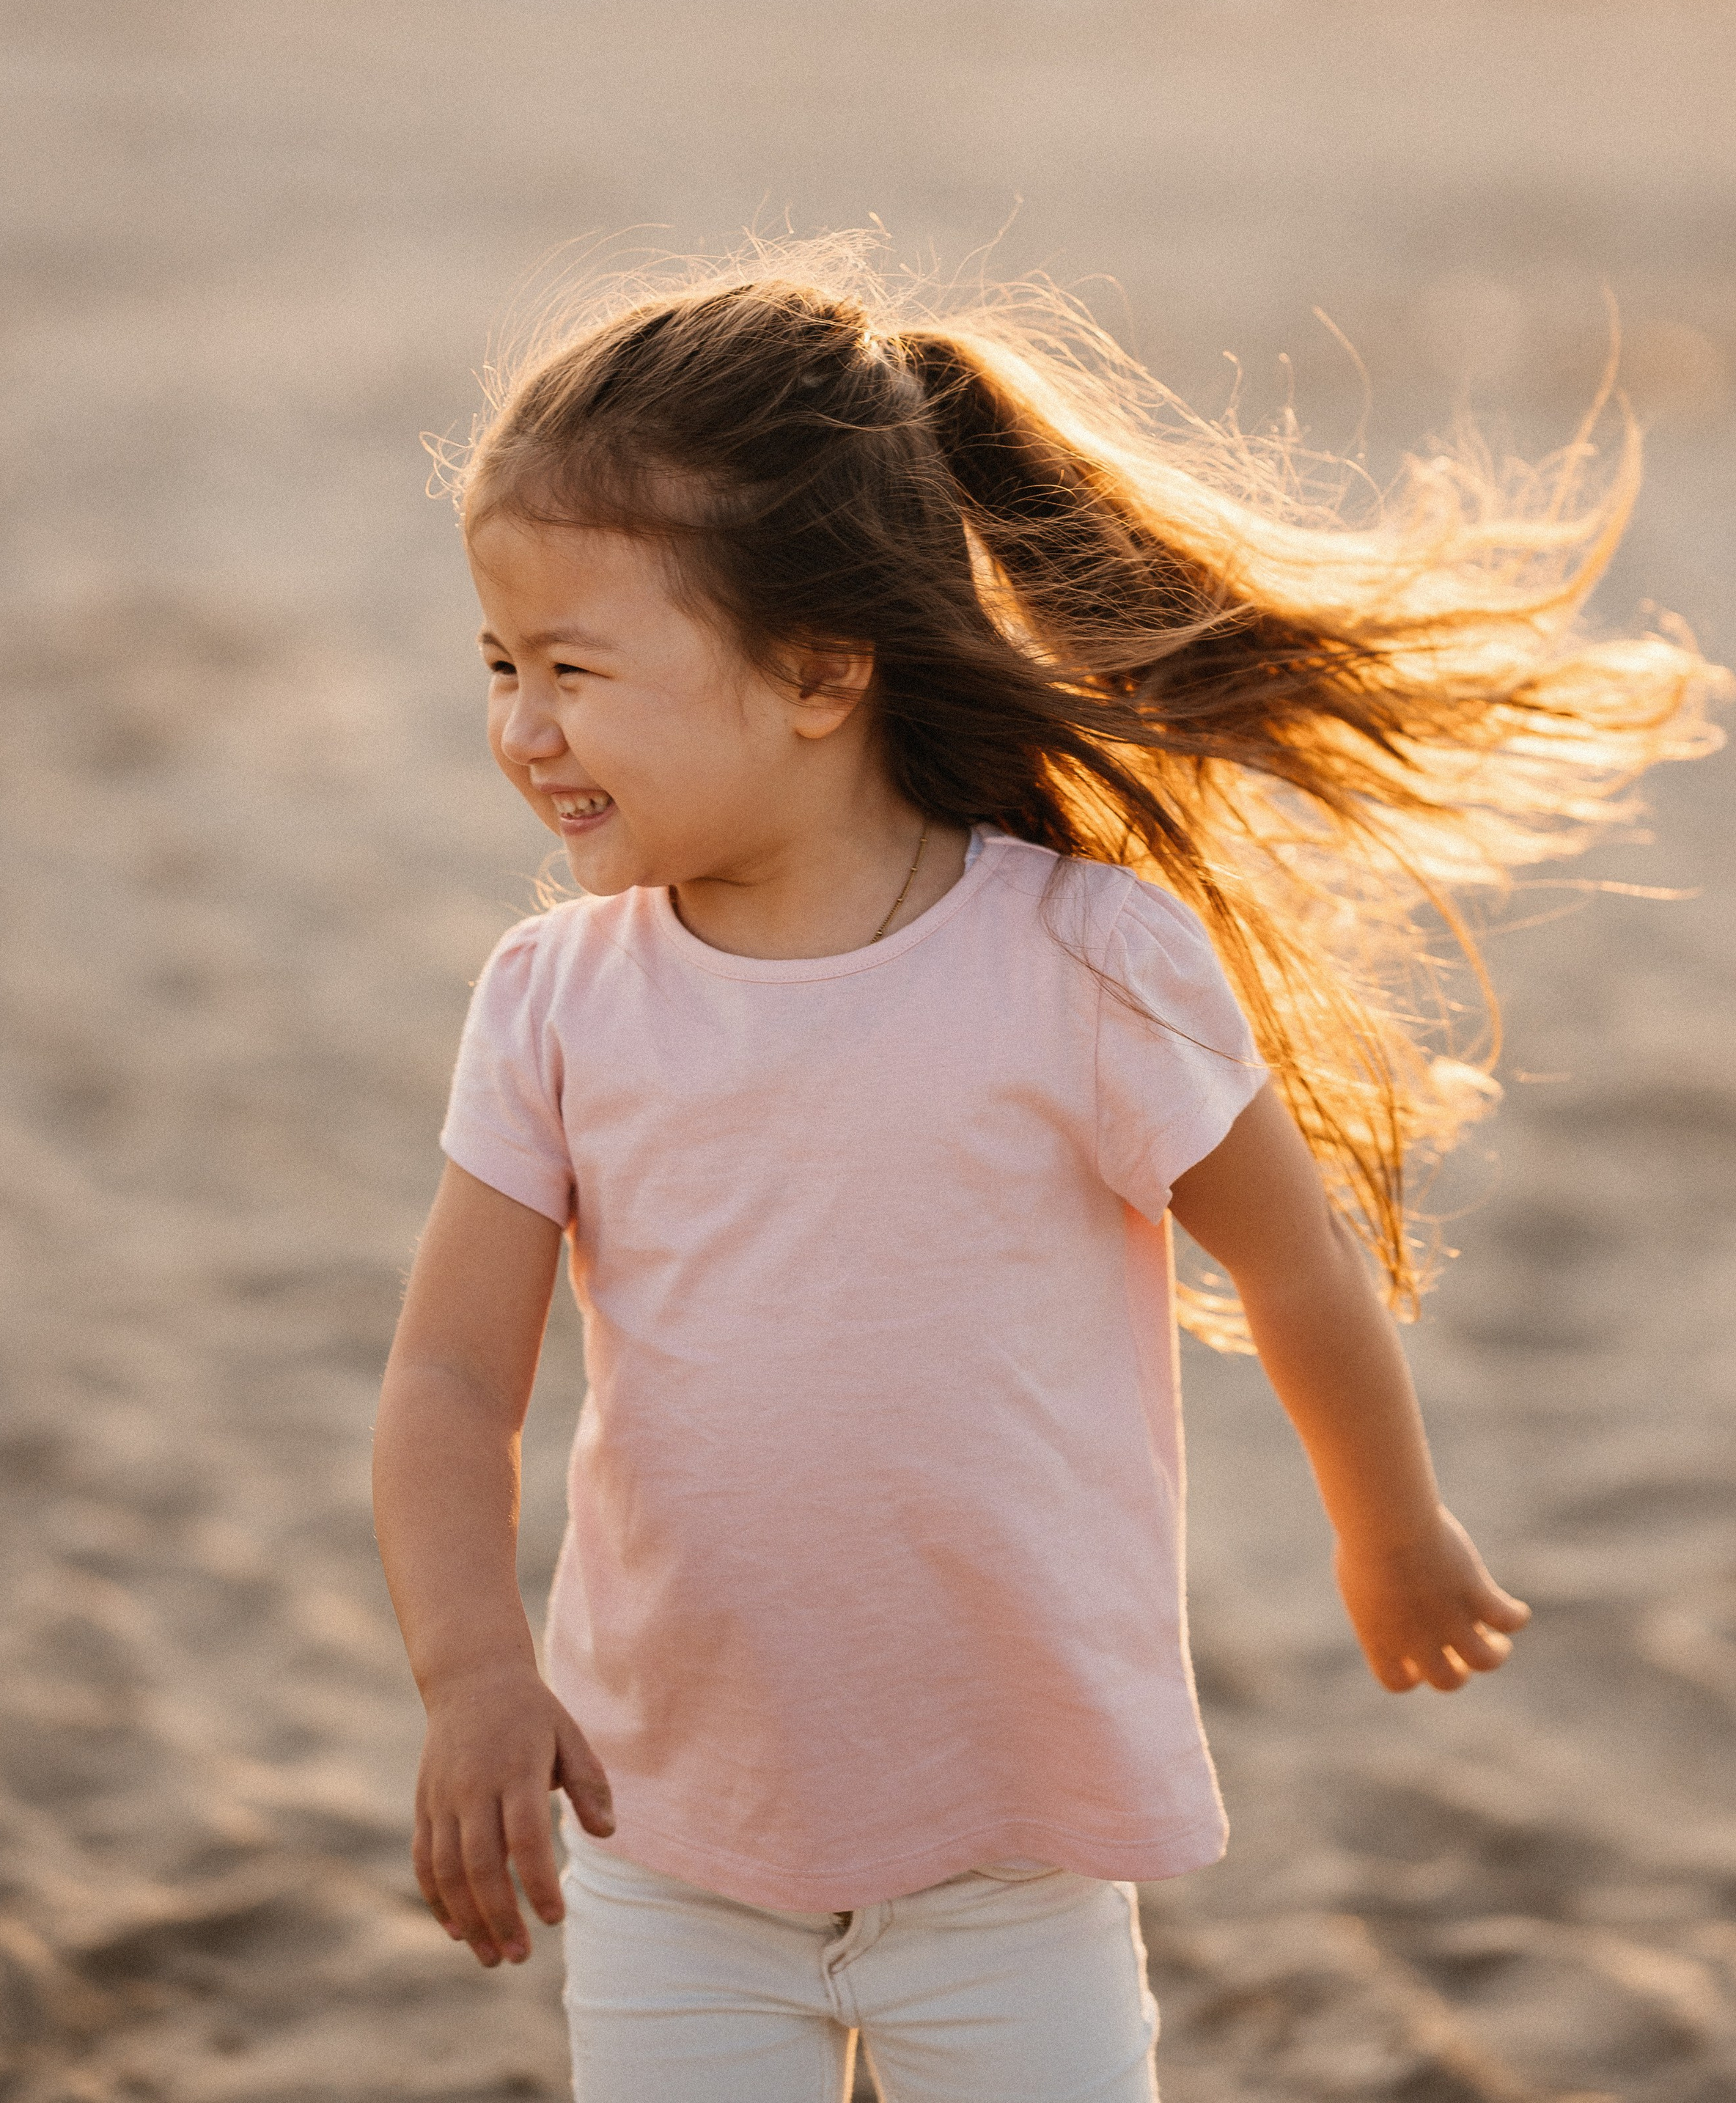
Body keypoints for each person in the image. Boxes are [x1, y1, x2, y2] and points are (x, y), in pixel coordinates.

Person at [372, 250, 1715, 2103]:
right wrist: (469, 1671)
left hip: (1011, 1849)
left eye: (576, 670)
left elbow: (1296, 1264)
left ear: (820, 667)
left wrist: (1386, 1527)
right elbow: (451, 1381)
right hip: (669, 1834)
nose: (523, 728)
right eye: (500, 667)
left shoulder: (1083, 962)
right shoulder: (554, 1003)